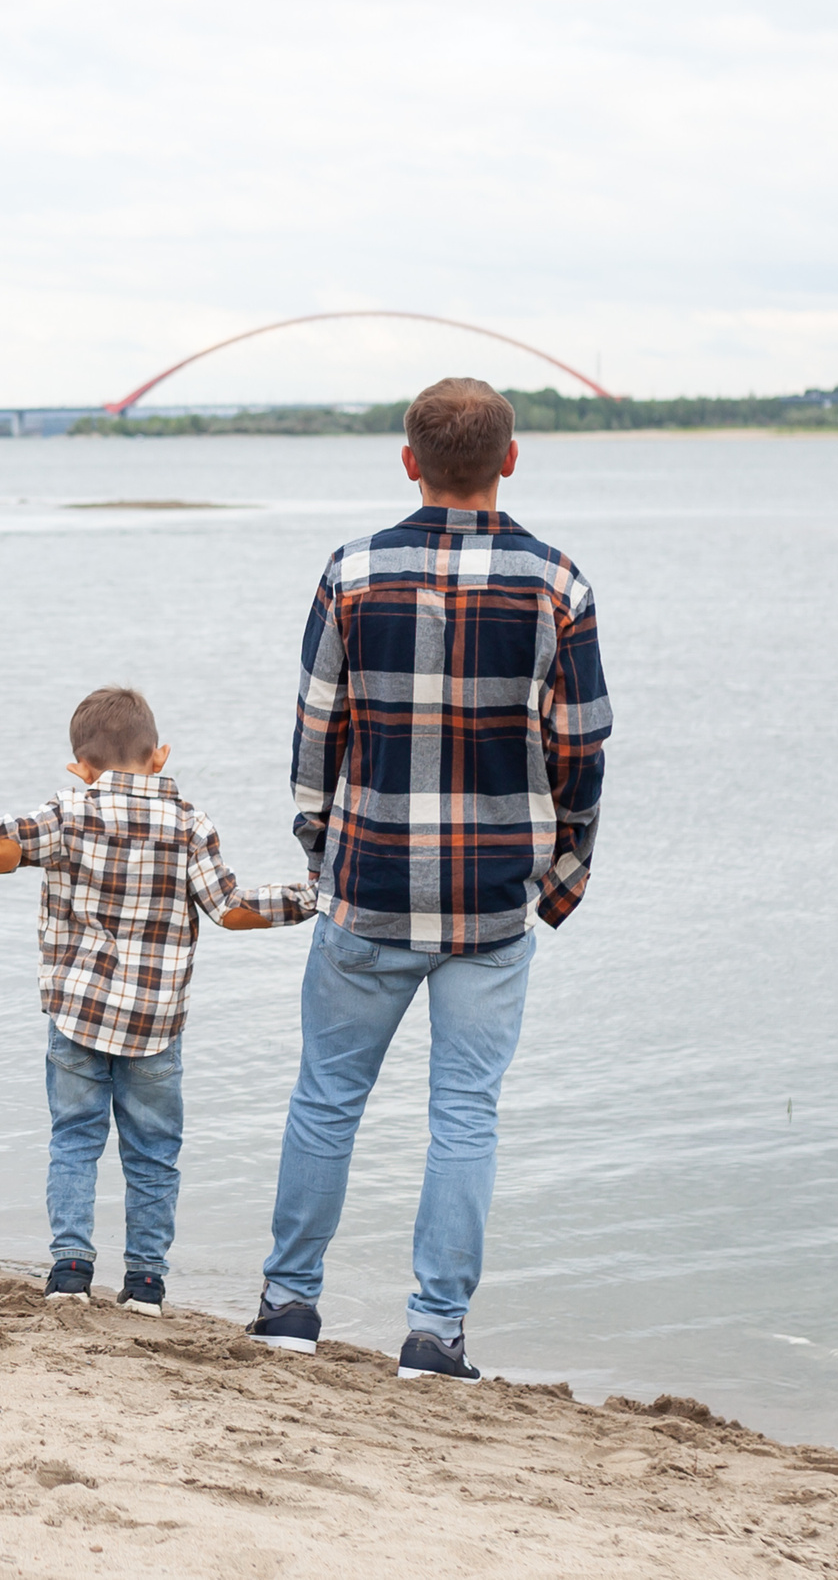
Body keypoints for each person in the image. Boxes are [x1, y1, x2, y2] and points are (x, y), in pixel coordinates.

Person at [248, 377, 610, 1380]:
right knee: (465, 1116)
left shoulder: (351, 571)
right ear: (510, 460)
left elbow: (313, 738)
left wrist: (323, 855)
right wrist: (557, 878)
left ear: (409, 461)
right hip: (492, 904)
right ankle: (434, 1335)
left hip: (367, 887)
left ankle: (288, 1308)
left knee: (326, 1099)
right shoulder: (557, 584)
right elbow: (581, 752)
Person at [0, 687, 312, 1316]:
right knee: (154, 1155)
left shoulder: (68, 813)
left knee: (74, 1141)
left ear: (80, 766)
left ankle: (71, 1269)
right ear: (159, 756)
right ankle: (146, 1283)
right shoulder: (190, 825)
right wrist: (313, 896)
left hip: (77, 1017)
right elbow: (232, 910)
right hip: (155, 1026)